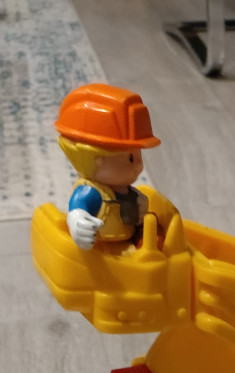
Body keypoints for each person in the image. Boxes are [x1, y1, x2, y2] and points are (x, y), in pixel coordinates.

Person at [54, 83, 161, 250]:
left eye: (138, 155)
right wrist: (77, 221)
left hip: (127, 246)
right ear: (98, 159)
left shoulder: (128, 191)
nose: (139, 165)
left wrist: (140, 207)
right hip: (100, 251)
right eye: (131, 158)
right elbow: (78, 207)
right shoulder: (92, 192)